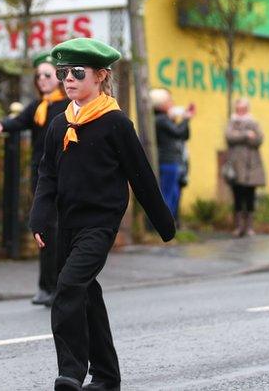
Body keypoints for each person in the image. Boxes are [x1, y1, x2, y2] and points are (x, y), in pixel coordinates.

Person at [30, 38, 175, 391]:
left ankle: (71, 372)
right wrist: (38, 217)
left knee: (68, 286)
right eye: (64, 72)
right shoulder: (59, 124)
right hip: (68, 224)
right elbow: (47, 174)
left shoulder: (116, 123)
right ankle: (107, 377)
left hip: (100, 223)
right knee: (87, 295)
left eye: (77, 72)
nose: (68, 79)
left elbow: (140, 175)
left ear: (101, 76)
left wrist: (164, 225)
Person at [0, 52, 70, 307]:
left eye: (47, 74)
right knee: (44, 229)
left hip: (65, 174)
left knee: (60, 230)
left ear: (58, 77)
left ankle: (62, 286)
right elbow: (18, 122)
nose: (42, 79)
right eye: (38, 76)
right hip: (41, 175)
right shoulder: (38, 106)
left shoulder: (68, 105)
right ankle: (46, 287)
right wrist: (0, 125)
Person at [150, 88, 194, 223]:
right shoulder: (161, 120)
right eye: (169, 100)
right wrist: (186, 119)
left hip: (174, 161)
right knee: (168, 195)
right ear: (161, 104)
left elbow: (184, 135)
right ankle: (165, 225)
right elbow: (178, 133)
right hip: (167, 161)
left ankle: (172, 224)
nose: (172, 103)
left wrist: (182, 120)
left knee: (174, 194)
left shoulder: (165, 119)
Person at [225, 98, 266, 237]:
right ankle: (238, 227)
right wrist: (246, 135)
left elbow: (259, 139)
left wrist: (243, 136)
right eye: (238, 109)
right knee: (237, 197)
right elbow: (229, 137)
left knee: (250, 197)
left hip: (252, 167)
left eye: (243, 109)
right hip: (236, 166)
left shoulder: (254, 123)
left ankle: (249, 227)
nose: (241, 112)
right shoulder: (232, 122)